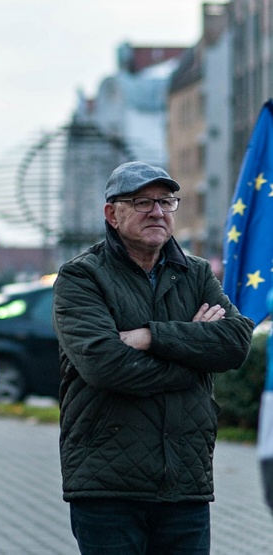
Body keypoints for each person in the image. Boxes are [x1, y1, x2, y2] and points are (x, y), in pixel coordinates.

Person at [52, 160, 254, 554]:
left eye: (166, 202)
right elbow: (104, 365)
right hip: (107, 482)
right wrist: (194, 358)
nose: (158, 212)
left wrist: (151, 336)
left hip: (185, 480)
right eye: (142, 202)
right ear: (112, 213)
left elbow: (235, 343)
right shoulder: (82, 277)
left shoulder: (194, 273)